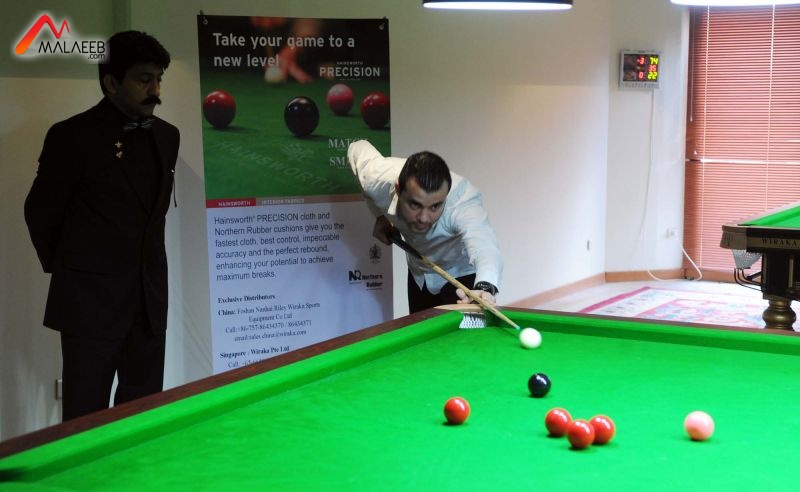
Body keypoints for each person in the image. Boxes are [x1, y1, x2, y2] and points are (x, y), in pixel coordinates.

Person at [24, 31, 180, 421]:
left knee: (143, 414)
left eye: (158, 79)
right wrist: (74, 272)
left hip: (149, 303)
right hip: (89, 305)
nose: (155, 90)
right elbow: (40, 212)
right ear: (111, 83)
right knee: (85, 417)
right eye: (144, 79)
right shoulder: (71, 136)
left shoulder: (167, 136)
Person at [348, 140, 503, 313]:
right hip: (419, 275)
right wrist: (379, 216)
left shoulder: (462, 203)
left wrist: (485, 286)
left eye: (435, 206)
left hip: (460, 277)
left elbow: (485, 247)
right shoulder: (377, 178)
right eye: (415, 205)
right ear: (398, 189)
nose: (423, 218)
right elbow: (357, 147)